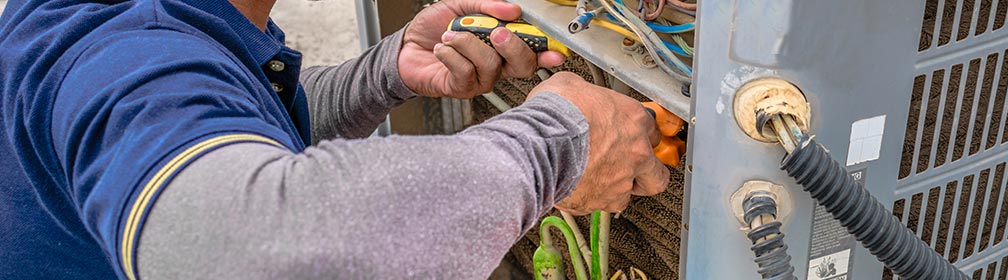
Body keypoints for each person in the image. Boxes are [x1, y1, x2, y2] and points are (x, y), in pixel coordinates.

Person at [0, 0, 670, 278]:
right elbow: (250, 245)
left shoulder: (154, 23)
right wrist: (556, 145)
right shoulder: (124, 53)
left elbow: (214, 123)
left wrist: (376, 78)